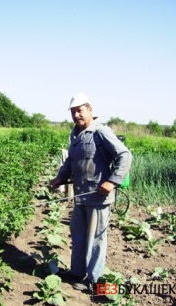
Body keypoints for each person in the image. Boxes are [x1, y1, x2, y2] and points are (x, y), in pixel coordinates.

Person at [50, 92, 132, 291]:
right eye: (73, 112)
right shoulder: (75, 134)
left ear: (90, 110)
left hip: (98, 197)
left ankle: (93, 280)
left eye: (80, 110)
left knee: (95, 239)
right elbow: (70, 160)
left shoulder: (100, 132)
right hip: (80, 196)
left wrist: (112, 181)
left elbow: (124, 155)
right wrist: (60, 177)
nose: (77, 115)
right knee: (77, 235)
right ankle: (77, 272)